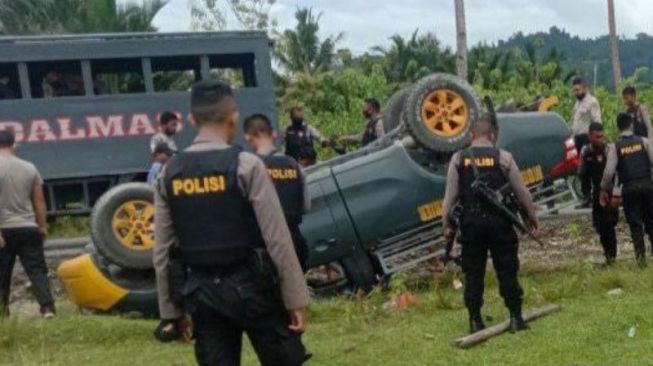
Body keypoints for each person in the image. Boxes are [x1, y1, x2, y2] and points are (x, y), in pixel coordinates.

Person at [153, 80, 310, 365]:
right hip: (253, 288)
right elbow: (277, 239)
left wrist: (170, 313)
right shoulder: (247, 166)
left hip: (200, 292)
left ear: (191, 119)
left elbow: (162, 251)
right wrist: (295, 298)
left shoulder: (168, 173)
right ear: (233, 116)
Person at [441, 115, 538, 335]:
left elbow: (449, 199)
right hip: (500, 222)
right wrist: (532, 217)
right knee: (507, 269)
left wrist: (446, 227)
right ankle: (515, 317)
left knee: (473, 272)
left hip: (471, 224)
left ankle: (475, 321)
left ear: (472, 135)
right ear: (492, 136)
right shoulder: (504, 157)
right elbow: (522, 193)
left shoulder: (458, 159)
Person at [243, 113, 311, 271]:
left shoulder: (251, 168)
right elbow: (306, 206)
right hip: (294, 241)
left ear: (249, 136)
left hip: (265, 246)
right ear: (272, 134)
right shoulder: (294, 165)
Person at [0, 130, 55, 318]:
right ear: (14, 144)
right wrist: (42, 226)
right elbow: (39, 201)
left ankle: (2, 312)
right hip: (28, 227)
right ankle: (47, 309)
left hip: (4, 229)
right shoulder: (29, 167)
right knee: (37, 270)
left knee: (2, 273)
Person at [601, 113, 653, 267]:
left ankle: (641, 260)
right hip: (647, 186)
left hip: (629, 190)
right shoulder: (644, 142)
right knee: (651, 222)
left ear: (618, 127)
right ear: (631, 124)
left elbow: (609, 172)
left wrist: (603, 188)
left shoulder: (615, 147)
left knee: (635, 224)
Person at [579, 123, 619, 265]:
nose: (600, 139)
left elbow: (616, 172)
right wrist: (586, 196)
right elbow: (583, 176)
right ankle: (608, 255)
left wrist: (616, 193)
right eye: (597, 137)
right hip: (596, 192)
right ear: (590, 136)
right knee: (600, 226)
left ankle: (612, 257)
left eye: (601, 136)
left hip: (609, 191)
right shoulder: (586, 152)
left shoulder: (609, 150)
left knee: (609, 225)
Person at [571, 77, 602, 152]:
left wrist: (595, 141)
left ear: (584, 88)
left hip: (587, 139)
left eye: (578, 90)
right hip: (577, 139)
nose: (576, 93)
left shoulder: (592, 102)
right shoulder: (577, 103)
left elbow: (597, 122)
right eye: (574, 90)